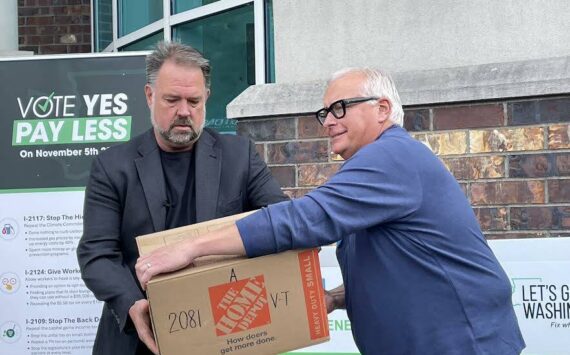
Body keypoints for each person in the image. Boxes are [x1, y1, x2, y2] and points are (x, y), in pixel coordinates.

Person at [135, 67, 526, 354]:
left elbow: (305, 219)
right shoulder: (379, 166)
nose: (329, 121)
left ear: (383, 109)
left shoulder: (391, 157)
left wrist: (190, 247)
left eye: (340, 108)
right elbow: (398, 265)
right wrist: (338, 297)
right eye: (325, 113)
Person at [77, 41, 288, 355]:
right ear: (150, 96)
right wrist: (131, 303)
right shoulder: (112, 166)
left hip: (225, 331)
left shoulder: (238, 156)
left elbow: (280, 218)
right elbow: (97, 254)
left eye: (194, 100)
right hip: (137, 338)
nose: (184, 111)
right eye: (172, 100)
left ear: (207, 99)